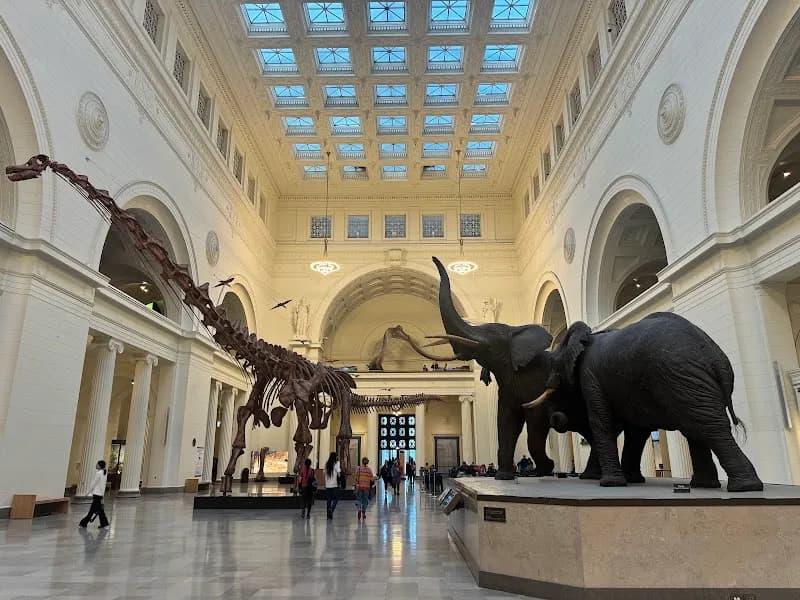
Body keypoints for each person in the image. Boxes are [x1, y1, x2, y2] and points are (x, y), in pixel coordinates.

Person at [79, 460, 109, 529]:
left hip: (96, 494)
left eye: (97, 464)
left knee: (92, 510)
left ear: (100, 465)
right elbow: (103, 485)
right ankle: (104, 523)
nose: (96, 465)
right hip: (100, 494)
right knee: (100, 510)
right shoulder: (104, 473)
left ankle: (83, 523)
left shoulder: (98, 473)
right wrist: (102, 495)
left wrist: (87, 493)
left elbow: (93, 484)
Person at [324, 452, 340, 520]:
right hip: (334, 485)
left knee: (329, 500)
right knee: (336, 498)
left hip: (327, 485)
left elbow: (324, 473)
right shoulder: (336, 463)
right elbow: (339, 474)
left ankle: (328, 514)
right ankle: (332, 510)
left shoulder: (326, 464)